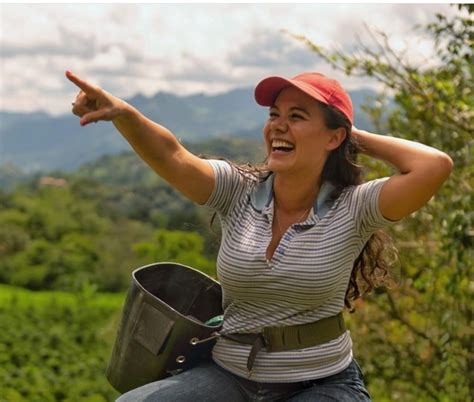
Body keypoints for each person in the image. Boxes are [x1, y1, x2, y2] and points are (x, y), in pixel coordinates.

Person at [66, 70, 453, 401]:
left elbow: (434, 166)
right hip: (229, 376)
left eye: (297, 116)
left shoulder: (354, 207)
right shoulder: (238, 189)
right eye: (274, 114)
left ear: (333, 138)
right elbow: (173, 156)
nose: (278, 125)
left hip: (319, 385)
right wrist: (124, 114)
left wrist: (353, 134)